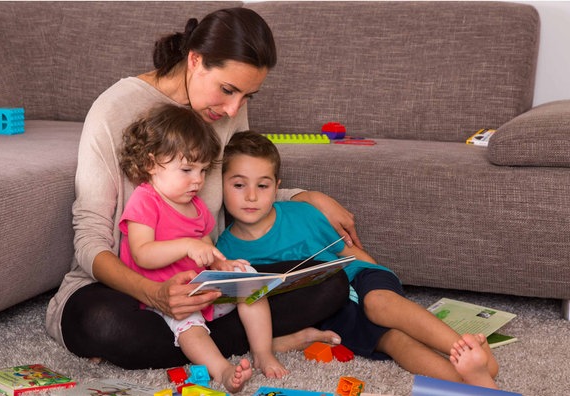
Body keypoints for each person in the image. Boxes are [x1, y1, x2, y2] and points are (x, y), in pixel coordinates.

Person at [45, 7, 358, 369]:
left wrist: (308, 197)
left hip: (203, 282)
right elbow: (89, 240)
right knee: (106, 324)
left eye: (246, 97)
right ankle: (259, 340)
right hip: (127, 287)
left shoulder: (225, 110)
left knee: (329, 281)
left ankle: (218, 341)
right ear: (195, 60)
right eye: (227, 90)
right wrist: (155, 295)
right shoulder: (113, 110)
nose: (232, 109)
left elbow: (241, 184)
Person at [216, 131, 499, 389]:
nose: (251, 196)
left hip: (359, 277)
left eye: (262, 186)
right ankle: (474, 382)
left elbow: (347, 252)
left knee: (379, 305)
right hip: (332, 313)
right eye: (239, 184)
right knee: (393, 342)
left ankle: (467, 351)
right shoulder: (225, 249)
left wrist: (377, 272)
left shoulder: (301, 213)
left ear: (276, 187)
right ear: (221, 185)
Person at [117, 104, 287, 391]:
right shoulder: (145, 200)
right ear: (151, 164)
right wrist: (185, 246)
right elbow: (141, 254)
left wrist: (221, 266)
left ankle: (262, 351)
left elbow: (206, 245)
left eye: (203, 170)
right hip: (168, 298)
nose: (197, 180)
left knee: (250, 279)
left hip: (201, 289)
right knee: (189, 325)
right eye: (187, 169)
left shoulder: (194, 205)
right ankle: (221, 370)